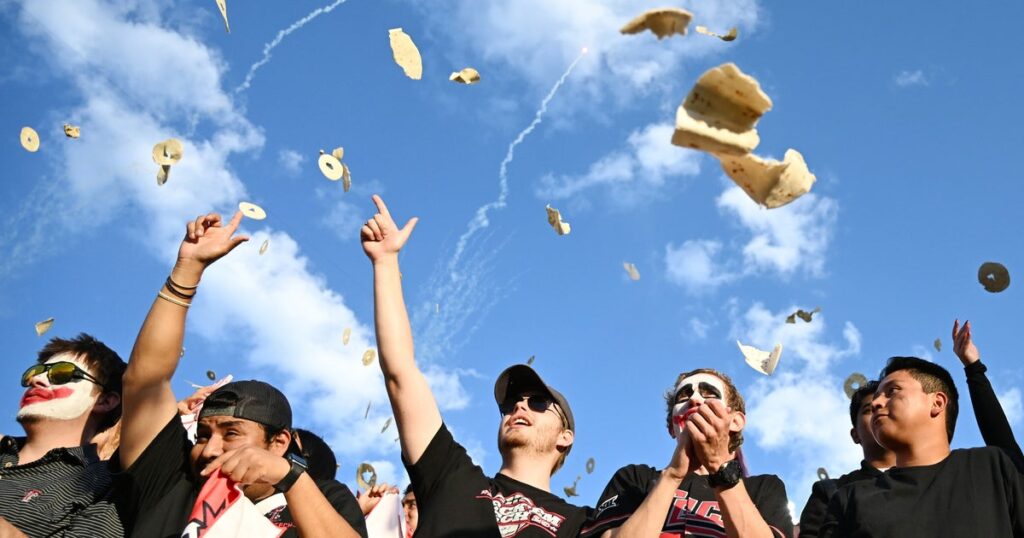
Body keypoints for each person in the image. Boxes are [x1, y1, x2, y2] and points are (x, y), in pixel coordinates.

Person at [114, 211, 367, 538]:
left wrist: (289, 478)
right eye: (203, 435)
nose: (209, 450)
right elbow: (144, 380)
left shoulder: (322, 498)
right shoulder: (172, 483)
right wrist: (187, 271)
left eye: (231, 433)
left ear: (278, 443)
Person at [360, 195, 587, 536]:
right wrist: (386, 263)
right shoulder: (452, 476)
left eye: (538, 403)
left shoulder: (582, 523)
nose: (519, 406)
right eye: (511, 404)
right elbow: (401, 375)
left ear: (565, 437)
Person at [799, 319, 1024, 536]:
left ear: (937, 403)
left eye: (893, 391)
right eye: (872, 403)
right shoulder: (849, 498)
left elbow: (1004, 443)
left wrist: (974, 369)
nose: (877, 403)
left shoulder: (992, 468)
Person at [581, 368, 792, 537]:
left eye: (709, 393)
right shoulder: (634, 480)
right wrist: (672, 476)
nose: (695, 399)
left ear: (735, 421)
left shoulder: (764, 488)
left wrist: (720, 468)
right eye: (684, 394)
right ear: (672, 427)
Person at [0, 333, 126, 537]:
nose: (36, 379)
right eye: (35, 372)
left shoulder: (105, 485)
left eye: (61, 374)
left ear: (104, 401)